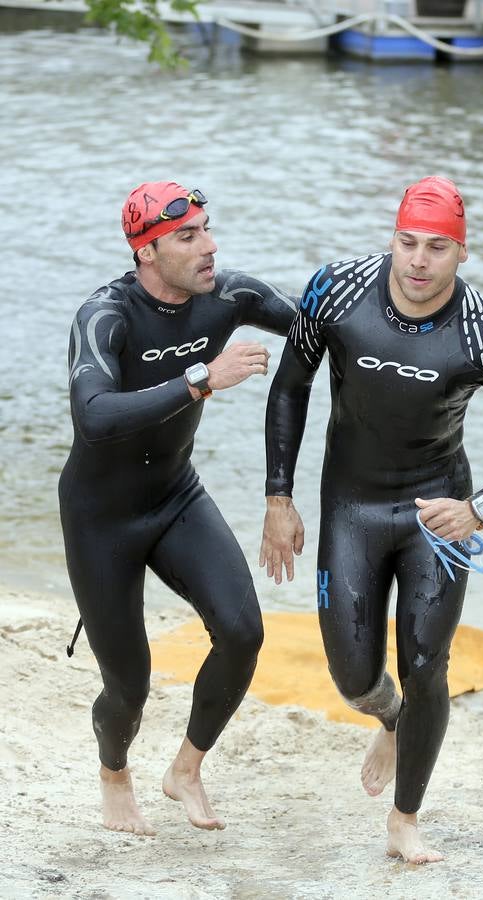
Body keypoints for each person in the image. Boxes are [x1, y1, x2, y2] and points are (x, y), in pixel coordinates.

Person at [259, 176, 483, 863]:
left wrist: (478, 508)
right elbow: (289, 389)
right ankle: (388, 721)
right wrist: (279, 498)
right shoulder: (335, 290)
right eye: (407, 241)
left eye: (437, 247)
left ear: (462, 252)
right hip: (352, 509)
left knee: (426, 667)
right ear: (392, 237)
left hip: (436, 515)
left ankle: (405, 821)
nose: (418, 260)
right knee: (354, 678)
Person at [59, 181, 297, 836]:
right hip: (100, 517)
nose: (209, 247)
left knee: (244, 631)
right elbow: (95, 415)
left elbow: (324, 328)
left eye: (207, 230)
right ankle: (115, 771)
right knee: (128, 688)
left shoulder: (230, 297)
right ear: (147, 252)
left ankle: (186, 768)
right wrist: (201, 378)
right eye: (188, 237)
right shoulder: (105, 316)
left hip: (173, 494)